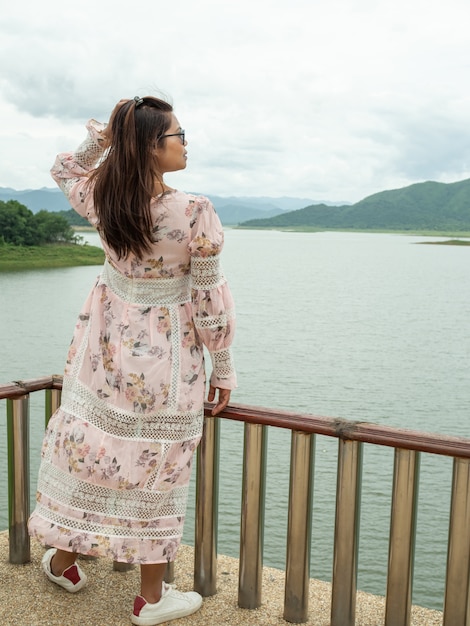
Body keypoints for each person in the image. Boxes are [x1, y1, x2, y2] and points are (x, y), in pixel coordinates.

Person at [28, 95, 237, 626]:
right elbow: (208, 302)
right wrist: (225, 367)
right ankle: (150, 598)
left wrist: (103, 137)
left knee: (95, 448)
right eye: (177, 135)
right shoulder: (194, 211)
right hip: (166, 355)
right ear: (150, 147)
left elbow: (64, 168)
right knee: (155, 465)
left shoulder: (103, 196)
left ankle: (65, 558)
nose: (186, 142)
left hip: (102, 346)